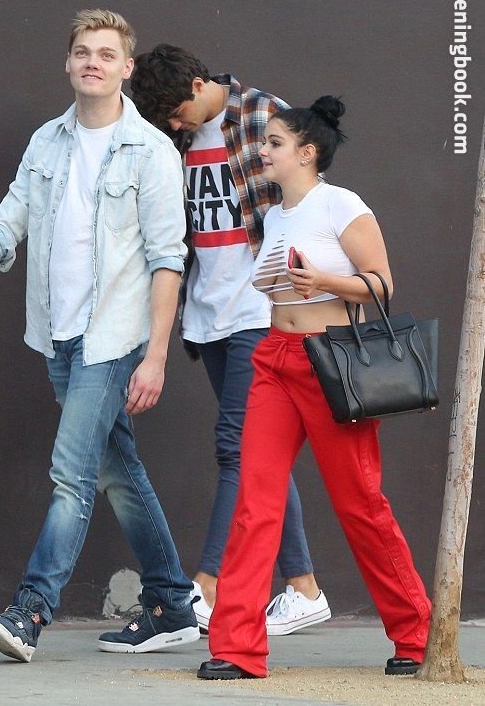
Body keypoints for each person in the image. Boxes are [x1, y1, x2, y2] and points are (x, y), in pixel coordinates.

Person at [0, 9, 200, 662]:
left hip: (113, 340)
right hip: (59, 338)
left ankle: (29, 612)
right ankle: (172, 602)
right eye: (83, 51)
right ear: (68, 63)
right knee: (117, 472)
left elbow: (168, 261)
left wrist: (156, 356)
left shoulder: (150, 153)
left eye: (106, 54)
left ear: (127, 68)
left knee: (71, 475)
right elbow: (4, 227)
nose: (93, 62)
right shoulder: (48, 143)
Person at [197, 96, 431, 680]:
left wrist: (321, 280)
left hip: (330, 363)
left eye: (274, 143)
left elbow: (382, 285)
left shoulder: (340, 204)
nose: (263, 151)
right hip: (274, 356)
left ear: (307, 153)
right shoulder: (275, 216)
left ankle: (415, 634)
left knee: (360, 503)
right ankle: (237, 648)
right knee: (255, 500)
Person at [131, 45, 330, 635]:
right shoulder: (176, 139)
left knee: (236, 446)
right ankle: (303, 588)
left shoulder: (264, 115)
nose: (174, 125)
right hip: (207, 311)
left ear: (199, 85)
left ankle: (209, 586)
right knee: (258, 452)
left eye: (177, 112)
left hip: (258, 308)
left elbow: (310, 199)